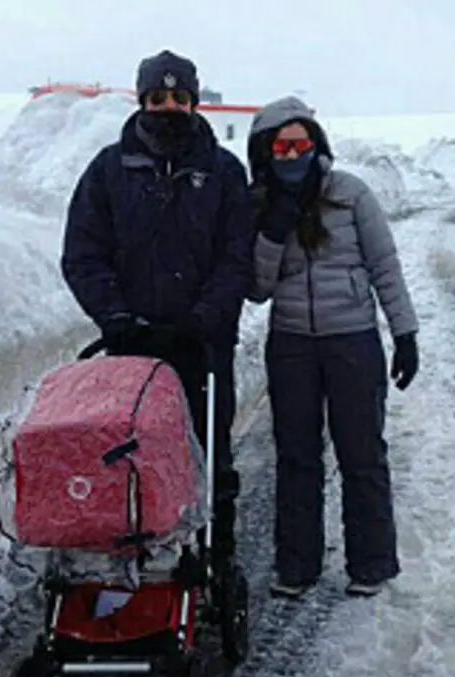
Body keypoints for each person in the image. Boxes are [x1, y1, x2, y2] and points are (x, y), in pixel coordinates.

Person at [60, 49, 255, 565]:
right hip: (131, 346)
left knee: (206, 451)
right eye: (157, 97)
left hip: (201, 345)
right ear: (142, 100)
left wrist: (203, 319)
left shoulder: (223, 173)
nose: (168, 106)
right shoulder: (108, 171)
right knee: (129, 449)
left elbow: (237, 257)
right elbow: (83, 253)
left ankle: (214, 555)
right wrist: (117, 319)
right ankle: (131, 551)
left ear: (193, 102)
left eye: (179, 97)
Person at [247, 96, 419, 598]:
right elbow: (257, 288)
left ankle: (371, 563)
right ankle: (296, 567)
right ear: (266, 152)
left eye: (300, 143)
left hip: (353, 341)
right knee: (296, 456)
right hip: (292, 345)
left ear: (316, 145)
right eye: (281, 146)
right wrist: (274, 231)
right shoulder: (259, 205)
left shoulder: (352, 194)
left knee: (361, 452)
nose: (291, 154)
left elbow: (385, 266)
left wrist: (404, 333)